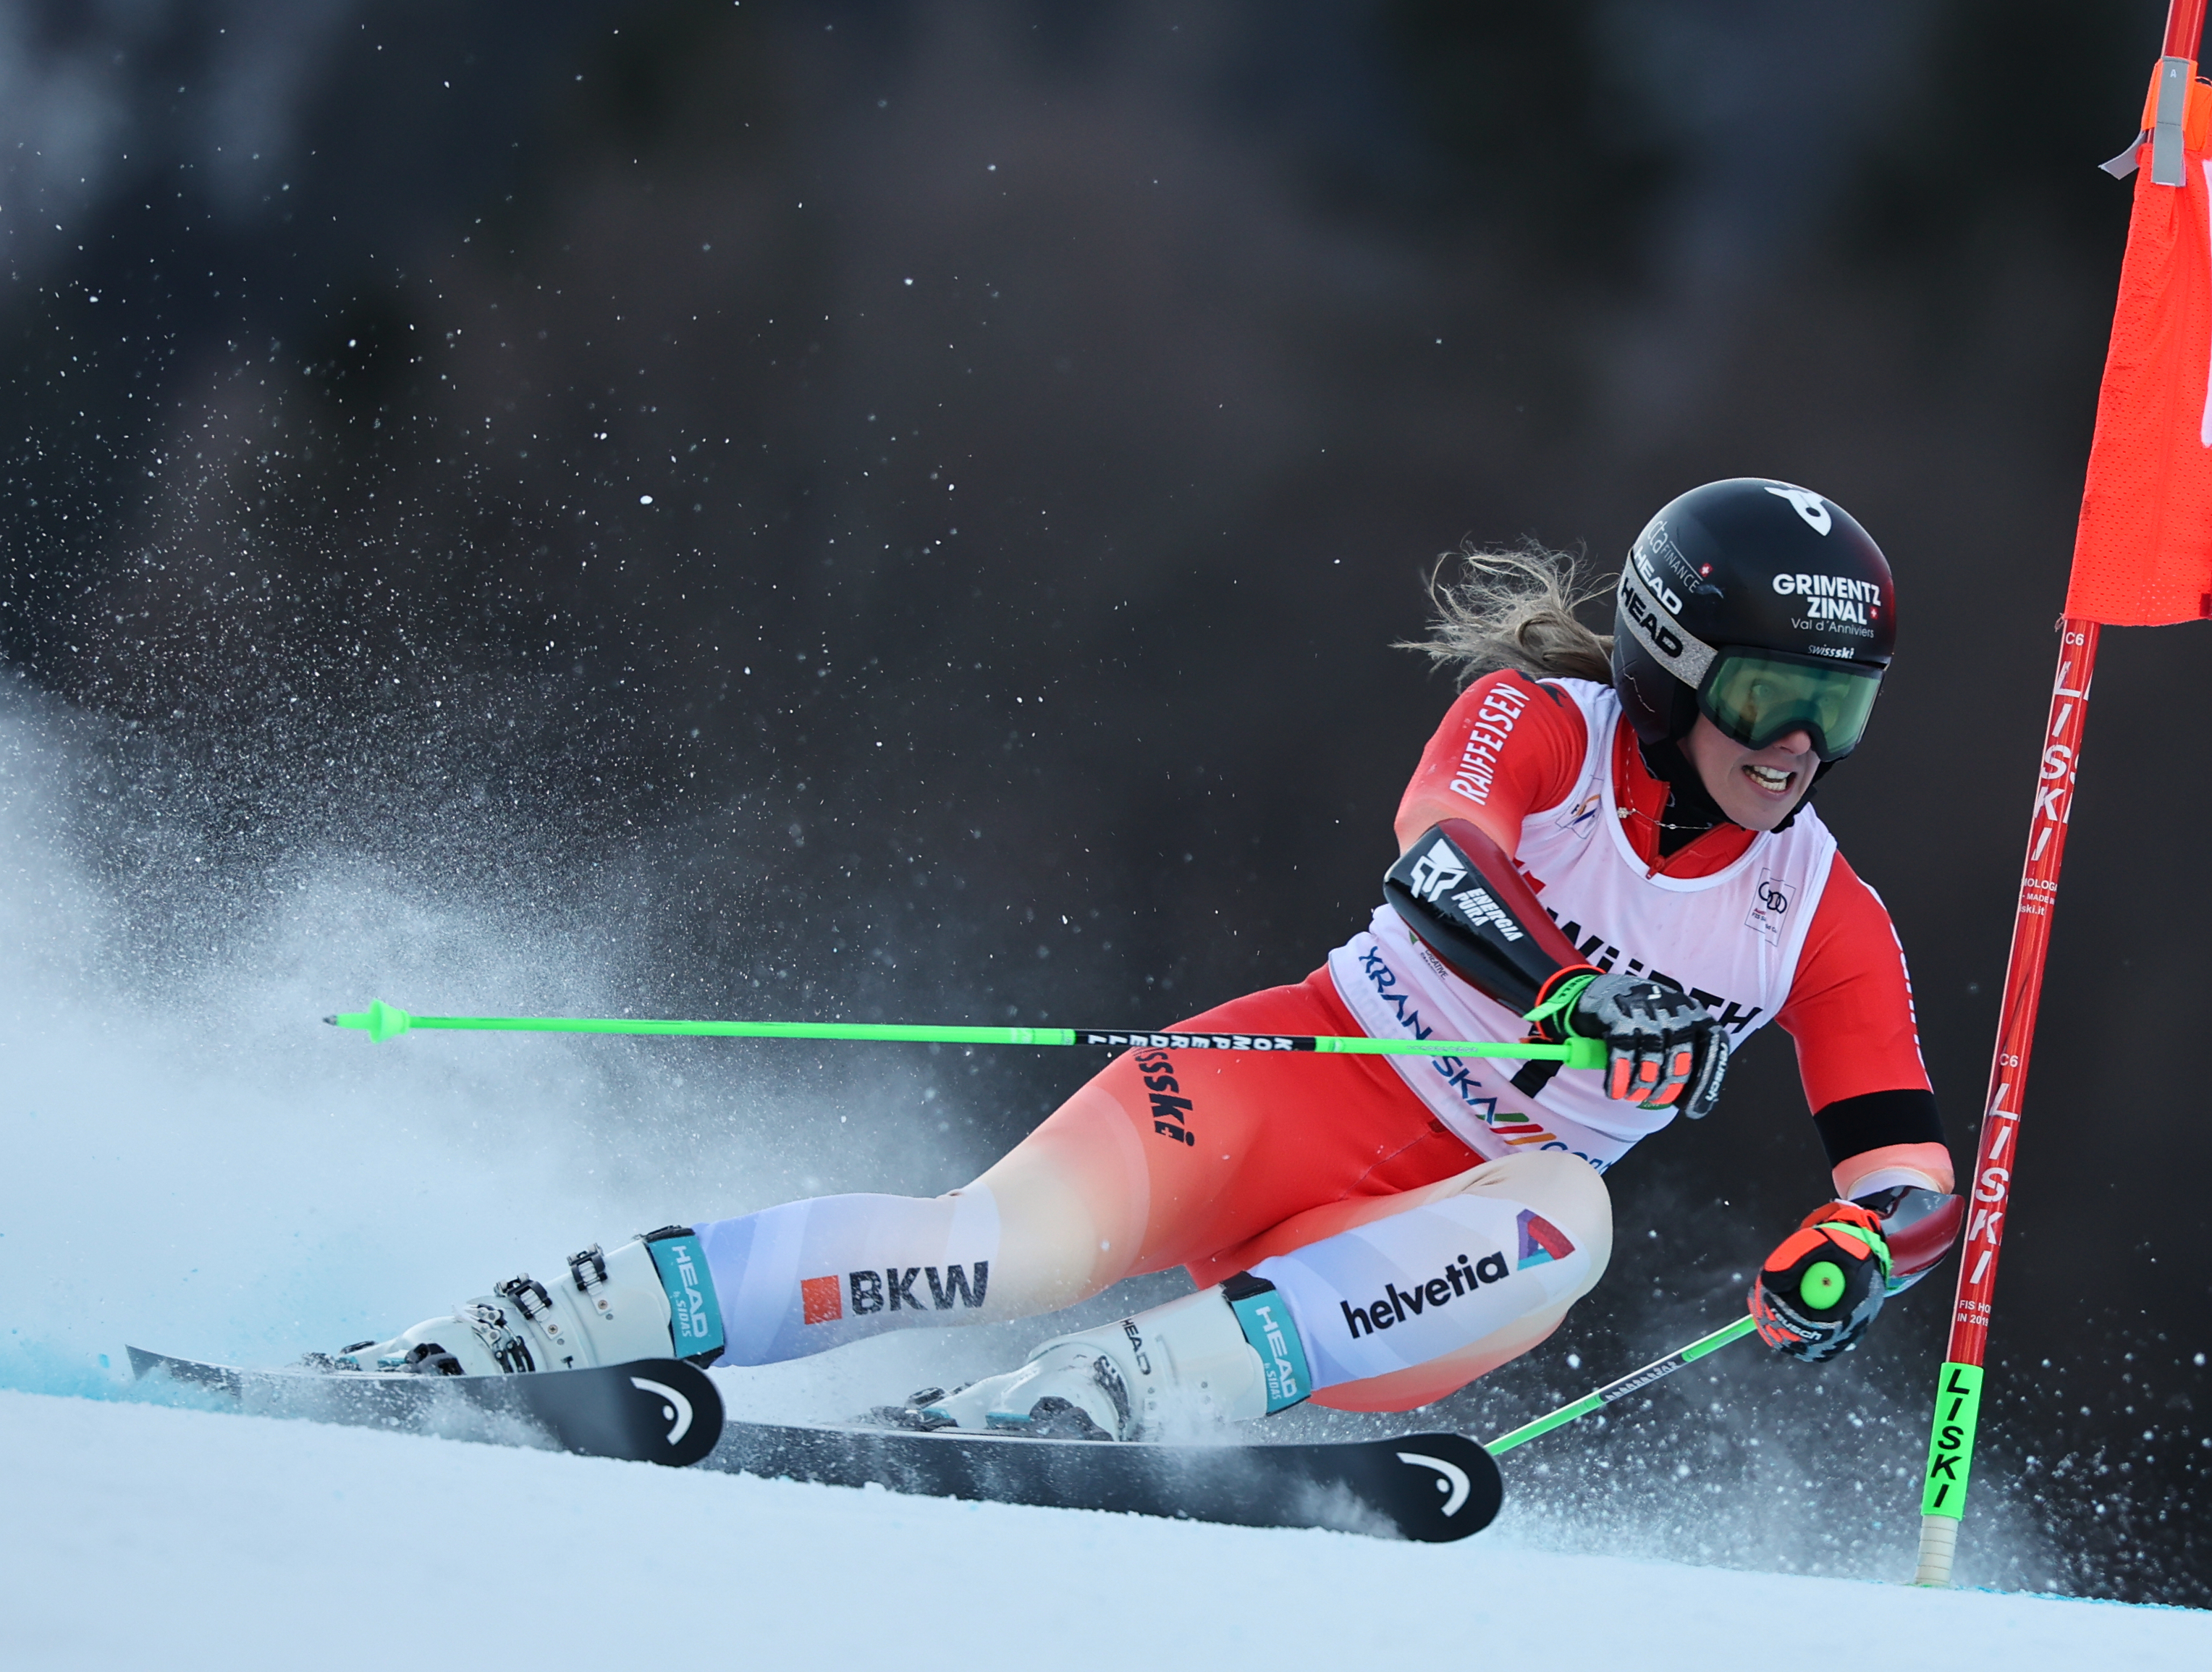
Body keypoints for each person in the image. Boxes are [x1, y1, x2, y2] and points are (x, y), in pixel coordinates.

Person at [331, 478, 1961, 1439]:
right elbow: (1436, 854)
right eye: (1773, 698)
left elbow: (1905, 1169)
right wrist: (1574, 999)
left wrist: (1853, 1250)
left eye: (1847, 708)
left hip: (1438, 1250)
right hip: (1294, 1078)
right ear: (1676, 668)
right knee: (990, 1252)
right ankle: (523, 1326)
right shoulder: (1540, 724)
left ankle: (1094, 1403)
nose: (1803, 746)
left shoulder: (1821, 913)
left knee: (1571, 1213)